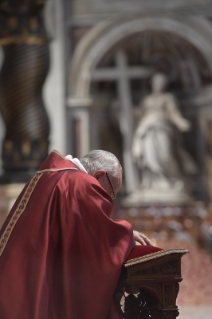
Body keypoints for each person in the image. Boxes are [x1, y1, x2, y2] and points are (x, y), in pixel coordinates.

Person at [0, 149, 152, 319]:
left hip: (18, 271)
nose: (109, 198)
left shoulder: (51, 174)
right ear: (99, 175)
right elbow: (97, 236)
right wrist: (126, 233)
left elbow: (77, 228)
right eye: (111, 193)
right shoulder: (81, 182)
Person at [132, 73, 197, 191]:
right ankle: (153, 183)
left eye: (162, 82)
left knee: (166, 155)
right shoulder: (147, 99)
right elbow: (139, 114)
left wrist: (181, 122)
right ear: (152, 83)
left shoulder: (168, 98)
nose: (159, 85)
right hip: (146, 130)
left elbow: (174, 113)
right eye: (157, 82)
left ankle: (174, 180)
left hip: (163, 128)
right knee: (149, 157)